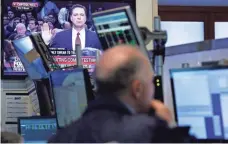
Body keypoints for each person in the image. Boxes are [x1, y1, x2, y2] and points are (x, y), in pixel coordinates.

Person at [48, 45, 195, 143]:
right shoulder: (151, 132)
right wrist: (168, 125)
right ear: (137, 89)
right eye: (150, 82)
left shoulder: (60, 138)